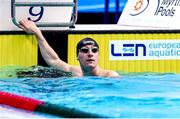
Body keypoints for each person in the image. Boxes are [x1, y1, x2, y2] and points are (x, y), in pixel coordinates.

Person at [19, 20, 119, 77]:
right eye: (84, 50)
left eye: (94, 50)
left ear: (98, 55)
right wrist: (37, 33)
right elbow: (53, 60)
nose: (90, 53)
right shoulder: (75, 72)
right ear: (77, 56)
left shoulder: (110, 76)